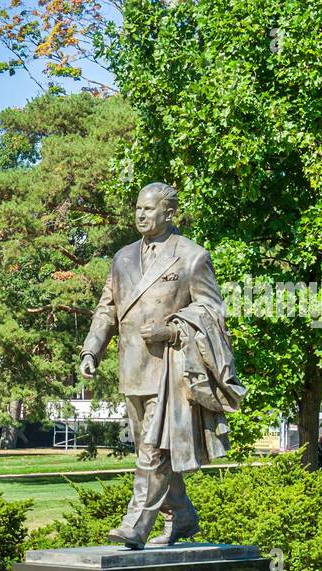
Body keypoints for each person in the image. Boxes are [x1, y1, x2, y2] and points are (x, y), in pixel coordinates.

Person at [79, 182, 245, 549]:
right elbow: (107, 308)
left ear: (169, 214)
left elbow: (212, 311)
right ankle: (182, 515)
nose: (140, 215)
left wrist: (172, 331)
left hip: (172, 370)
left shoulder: (191, 256)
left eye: (149, 210)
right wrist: (92, 349)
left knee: (153, 451)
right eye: (138, 208)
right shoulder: (122, 258)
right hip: (133, 370)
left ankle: (136, 523)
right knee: (149, 450)